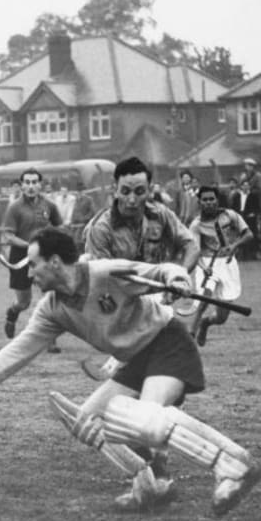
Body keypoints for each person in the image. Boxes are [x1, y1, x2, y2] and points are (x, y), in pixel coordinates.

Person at [0, 227, 261, 516]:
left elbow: (159, 270)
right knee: (88, 422)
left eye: (33, 265)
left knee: (144, 420)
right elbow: (16, 352)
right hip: (134, 360)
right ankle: (149, 485)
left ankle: (234, 465)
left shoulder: (105, 273)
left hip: (167, 342)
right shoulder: (52, 309)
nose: (29, 274)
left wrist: (176, 279)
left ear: (54, 263)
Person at [80, 156, 200, 378]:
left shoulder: (161, 214)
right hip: (117, 298)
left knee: (156, 352)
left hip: (158, 295)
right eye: (125, 192)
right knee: (152, 345)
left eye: (139, 191)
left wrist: (179, 277)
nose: (132, 199)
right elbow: (102, 281)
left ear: (149, 190)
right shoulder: (101, 228)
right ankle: (115, 374)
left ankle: (118, 380)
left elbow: (191, 245)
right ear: (115, 190)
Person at [0, 168, 63, 353]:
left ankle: (50, 339)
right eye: (27, 182)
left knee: (50, 297)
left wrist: (55, 242)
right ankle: (12, 313)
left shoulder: (49, 206)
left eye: (34, 182)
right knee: (24, 302)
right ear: (21, 185)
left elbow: (60, 226)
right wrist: (29, 246)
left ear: (40, 185)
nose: (31, 186)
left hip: (43, 257)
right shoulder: (15, 208)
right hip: (21, 257)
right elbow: (9, 236)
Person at [189, 186, 255, 346]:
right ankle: (190, 335)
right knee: (204, 298)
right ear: (200, 202)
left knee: (221, 317)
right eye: (205, 200)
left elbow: (248, 234)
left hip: (228, 264)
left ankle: (206, 323)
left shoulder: (230, 215)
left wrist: (235, 246)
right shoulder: (196, 225)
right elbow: (193, 251)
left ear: (217, 200)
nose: (209, 202)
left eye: (212, 199)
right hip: (207, 264)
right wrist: (204, 268)